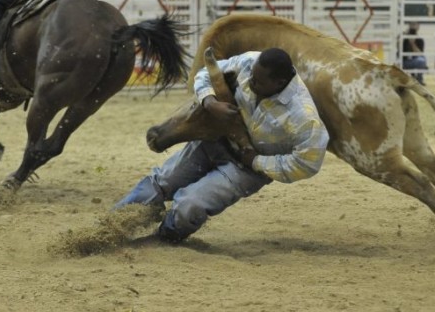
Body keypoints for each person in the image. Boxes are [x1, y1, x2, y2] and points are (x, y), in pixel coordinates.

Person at [114, 48, 329, 244]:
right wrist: (210, 102)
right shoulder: (249, 62)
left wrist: (256, 161)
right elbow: (205, 74)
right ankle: (113, 223)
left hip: (248, 170)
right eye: (252, 76)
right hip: (214, 140)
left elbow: (307, 163)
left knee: (190, 203)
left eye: (259, 82)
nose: (251, 82)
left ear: (280, 83)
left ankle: (165, 237)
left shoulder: (304, 116)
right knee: (163, 182)